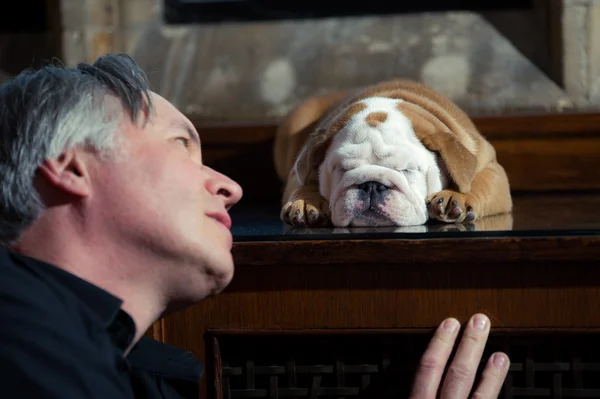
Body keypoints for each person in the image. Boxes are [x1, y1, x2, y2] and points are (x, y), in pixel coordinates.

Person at [0, 53, 510, 398]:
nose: (231, 187)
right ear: (71, 166)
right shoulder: (27, 353)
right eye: (182, 144)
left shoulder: (130, 368)